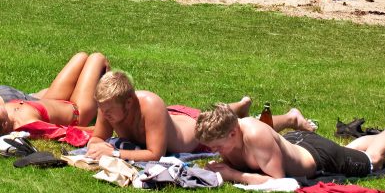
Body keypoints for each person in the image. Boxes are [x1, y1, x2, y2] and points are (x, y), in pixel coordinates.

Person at [86, 71, 313, 162]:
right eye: (101, 109)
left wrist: (114, 152)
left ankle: (291, 118)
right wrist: (94, 148)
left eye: (106, 111)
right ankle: (237, 106)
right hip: (177, 120)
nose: (102, 115)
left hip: (192, 132)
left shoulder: (150, 105)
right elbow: (97, 138)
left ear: (128, 102)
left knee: (243, 129)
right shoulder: (108, 103)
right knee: (216, 117)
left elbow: (155, 154)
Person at [195, 103, 385, 183]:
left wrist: (233, 175)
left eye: (217, 146)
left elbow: (279, 181)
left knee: (372, 161)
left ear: (233, 132)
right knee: (346, 151)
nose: (213, 151)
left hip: (319, 156)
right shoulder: (232, 138)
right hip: (299, 143)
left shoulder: (255, 135)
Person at [0, 52, 109, 141]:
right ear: (5, 124)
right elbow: (65, 132)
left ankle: (96, 88)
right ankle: (111, 97)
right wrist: (99, 130)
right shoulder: (28, 123)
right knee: (97, 58)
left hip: (51, 99)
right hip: (77, 111)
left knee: (81, 57)